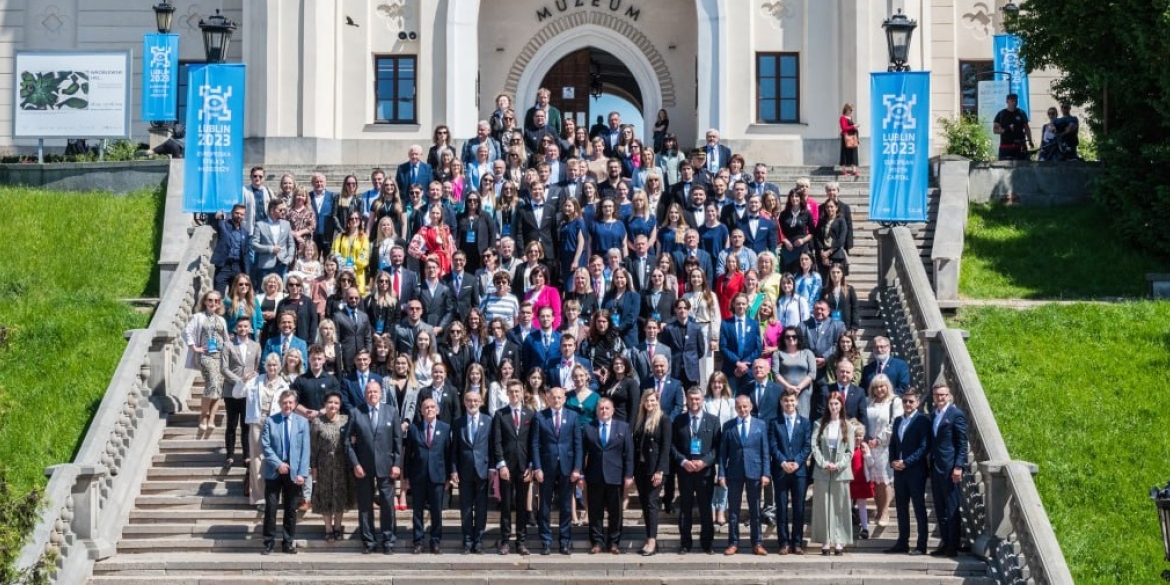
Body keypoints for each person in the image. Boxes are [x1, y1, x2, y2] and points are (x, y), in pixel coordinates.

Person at [531, 386, 583, 555]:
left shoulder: (573, 416)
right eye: (553, 397)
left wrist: (577, 468)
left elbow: (578, 444)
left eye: (560, 397)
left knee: (566, 506)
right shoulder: (540, 416)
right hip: (546, 467)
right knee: (544, 506)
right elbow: (535, 444)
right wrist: (537, 467)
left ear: (564, 399)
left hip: (567, 467)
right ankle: (546, 541)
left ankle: (564, 541)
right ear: (548, 398)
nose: (556, 400)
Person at [718, 395, 771, 556]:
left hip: (755, 472)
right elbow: (722, 454)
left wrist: (766, 473)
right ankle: (733, 543)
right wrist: (721, 474)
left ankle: (757, 543)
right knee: (733, 511)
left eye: (745, 406)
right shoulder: (728, 426)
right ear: (735, 408)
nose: (742, 409)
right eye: (739, 407)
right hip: (734, 473)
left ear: (751, 407)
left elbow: (765, 451)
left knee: (755, 510)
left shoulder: (760, 425)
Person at [259, 390, 310, 555]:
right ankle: (269, 542)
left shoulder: (302, 422)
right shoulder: (270, 421)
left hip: (294, 472)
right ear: (280, 403)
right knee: (271, 508)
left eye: (290, 402)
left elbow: (305, 450)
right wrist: (278, 463)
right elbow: (265, 446)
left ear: (295, 404)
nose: (287, 405)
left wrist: (302, 473)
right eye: (285, 402)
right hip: (274, 470)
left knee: (290, 509)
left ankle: (288, 542)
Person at [670, 387, 720, 554]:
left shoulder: (713, 421)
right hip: (685, 472)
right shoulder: (679, 420)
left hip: (705, 472)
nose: (694, 402)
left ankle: (707, 543)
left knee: (706, 508)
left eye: (697, 399)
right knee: (685, 508)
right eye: (691, 399)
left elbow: (717, 447)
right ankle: (685, 543)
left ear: (703, 400)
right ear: (687, 401)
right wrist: (683, 461)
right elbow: (672, 446)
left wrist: (705, 462)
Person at [490, 380, 536, 555]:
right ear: (507, 393)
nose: (515, 395)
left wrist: (531, 465)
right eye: (512, 392)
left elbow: (533, 442)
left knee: (523, 506)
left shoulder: (530, 414)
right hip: (506, 467)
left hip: (524, 467)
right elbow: (497, 441)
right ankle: (505, 540)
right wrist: (501, 464)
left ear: (522, 392)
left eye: (517, 391)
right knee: (507, 505)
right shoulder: (500, 415)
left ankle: (521, 541)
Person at [886, 389, 931, 555]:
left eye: (911, 401)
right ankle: (902, 542)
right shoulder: (898, 421)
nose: (907, 404)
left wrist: (907, 462)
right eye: (905, 401)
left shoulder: (922, 421)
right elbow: (893, 444)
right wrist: (893, 461)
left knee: (919, 508)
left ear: (917, 403)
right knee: (901, 507)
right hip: (899, 471)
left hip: (916, 471)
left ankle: (921, 545)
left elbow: (924, 447)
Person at [406, 398, 453, 554]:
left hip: (438, 476)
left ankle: (435, 541)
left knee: (436, 511)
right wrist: (406, 477)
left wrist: (448, 477)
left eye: (433, 407)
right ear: (421, 411)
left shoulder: (445, 428)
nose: (429, 409)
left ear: (437, 410)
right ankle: (418, 541)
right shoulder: (414, 428)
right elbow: (408, 455)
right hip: (418, 476)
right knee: (417, 511)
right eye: (426, 407)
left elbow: (448, 454)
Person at [767, 390, 812, 555]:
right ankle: (784, 542)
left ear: (797, 402)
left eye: (792, 401)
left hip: (799, 472)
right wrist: (783, 462)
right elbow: (772, 445)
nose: (789, 404)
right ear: (781, 402)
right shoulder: (774, 423)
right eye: (786, 401)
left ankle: (797, 542)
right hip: (781, 470)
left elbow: (807, 446)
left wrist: (797, 462)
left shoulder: (806, 423)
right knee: (781, 507)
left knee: (799, 508)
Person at [810, 391, 854, 556]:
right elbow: (814, 446)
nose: (834, 407)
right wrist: (823, 463)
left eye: (837, 404)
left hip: (840, 472)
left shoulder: (848, 426)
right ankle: (826, 540)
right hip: (823, 470)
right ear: (827, 406)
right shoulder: (819, 424)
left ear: (841, 405)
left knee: (840, 507)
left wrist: (839, 465)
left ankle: (839, 540)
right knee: (823, 506)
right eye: (831, 404)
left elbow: (850, 451)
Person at [449, 391, 492, 554]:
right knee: (465, 507)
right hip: (464, 470)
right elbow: (454, 449)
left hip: (483, 470)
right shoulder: (458, 422)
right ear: (464, 403)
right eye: (469, 401)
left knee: (481, 508)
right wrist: (453, 469)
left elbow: (492, 447)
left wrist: (492, 468)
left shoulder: (488, 421)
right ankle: (467, 540)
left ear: (481, 402)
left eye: (475, 400)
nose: (472, 403)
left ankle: (478, 540)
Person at [929, 385, 968, 557]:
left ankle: (953, 545)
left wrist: (959, 466)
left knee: (952, 508)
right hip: (936, 467)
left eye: (943, 395)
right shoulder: (933, 415)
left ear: (949, 396)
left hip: (950, 468)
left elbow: (962, 443)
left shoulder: (955, 414)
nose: (940, 398)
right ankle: (945, 542)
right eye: (937, 395)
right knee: (940, 508)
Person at [184, 290, 229, 435]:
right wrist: (194, 348)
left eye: (216, 301)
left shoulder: (221, 320)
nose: (213, 303)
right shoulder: (198, 317)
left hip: (220, 356)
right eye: (210, 300)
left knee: (218, 389)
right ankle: (203, 415)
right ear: (205, 302)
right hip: (206, 356)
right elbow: (186, 332)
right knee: (212, 384)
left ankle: (212, 417)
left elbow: (226, 339)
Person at [631, 391, 671, 556]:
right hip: (641, 468)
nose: (650, 403)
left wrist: (660, 470)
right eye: (647, 400)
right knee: (645, 503)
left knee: (651, 502)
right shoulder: (639, 419)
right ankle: (649, 535)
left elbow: (666, 447)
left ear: (657, 401)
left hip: (656, 469)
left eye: (653, 400)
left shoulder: (664, 419)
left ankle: (652, 540)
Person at [311, 391, 353, 544]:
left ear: (340, 405)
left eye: (336, 402)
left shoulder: (346, 420)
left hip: (342, 465)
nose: (333, 405)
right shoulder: (317, 422)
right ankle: (328, 529)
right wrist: (313, 467)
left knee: (340, 496)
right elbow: (313, 447)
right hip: (324, 465)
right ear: (325, 405)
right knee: (326, 497)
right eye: (330, 402)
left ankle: (337, 527)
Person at [864, 374, 902, 534]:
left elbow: (896, 423)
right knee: (876, 481)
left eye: (882, 386)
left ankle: (885, 510)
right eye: (876, 387)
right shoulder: (868, 402)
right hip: (869, 446)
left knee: (885, 480)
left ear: (887, 387)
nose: (879, 390)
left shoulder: (895, 401)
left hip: (886, 446)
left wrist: (879, 440)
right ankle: (879, 509)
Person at [222, 319, 260, 469]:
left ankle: (246, 455)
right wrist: (240, 380)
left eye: (245, 326)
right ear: (236, 328)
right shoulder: (228, 345)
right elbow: (224, 368)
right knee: (231, 424)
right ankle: (230, 455)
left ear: (250, 328)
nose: (243, 329)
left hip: (248, 392)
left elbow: (257, 366)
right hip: (231, 390)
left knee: (246, 425)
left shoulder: (256, 346)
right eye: (240, 326)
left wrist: (251, 380)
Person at [719, 294, 761, 392]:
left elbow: (758, 348)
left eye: (743, 304)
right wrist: (738, 363)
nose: (741, 306)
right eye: (738, 304)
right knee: (730, 400)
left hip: (749, 370)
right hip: (731, 369)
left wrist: (744, 365)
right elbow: (723, 347)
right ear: (733, 304)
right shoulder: (725, 324)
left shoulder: (754, 324)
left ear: (747, 305)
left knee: (748, 401)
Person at [774, 327, 818, 419]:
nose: (791, 338)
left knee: (803, 417)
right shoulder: (778, 354)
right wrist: (789, 387)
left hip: (804, 391)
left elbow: (812, 373)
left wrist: (799, 388)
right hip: (785, 392)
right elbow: (776, 374)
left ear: (798, 338)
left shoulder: (807, 353)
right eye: (787, 337)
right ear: (783, 338)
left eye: (794, 336)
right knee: (786, 417)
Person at [212, 204, 252, 294]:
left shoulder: (245, 232)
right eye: (237, 213)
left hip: (237, 267)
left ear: (244, 216)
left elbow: (246, 254)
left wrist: (247, 273)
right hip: (223, 266)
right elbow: (216, 225)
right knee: (218, 295)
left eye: (241, 214)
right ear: (232, 213)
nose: (239, 216)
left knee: (235, 297)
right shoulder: (224, 225)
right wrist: (218, 218)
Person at [253, 199, 297, 282]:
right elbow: (254, 244)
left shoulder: (286, 224)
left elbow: (291, 244)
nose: (283, 212)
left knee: (281, 292)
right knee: (263, 291)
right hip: (266, 265)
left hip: (282, 264)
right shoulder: (260, 225)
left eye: (284, 210)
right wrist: (271, 249)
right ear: (272, 210)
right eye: (280, 210)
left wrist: (289, 258)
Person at [993, 93, 1034, 161]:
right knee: (1004, 168)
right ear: (1007, 101)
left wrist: (1030, 140)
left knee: (1023, 167)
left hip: (1019, 146)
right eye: (1012, 101)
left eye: (1016, 101)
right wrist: (1005, 130)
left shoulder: (1021, 113)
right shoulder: (1001, 114)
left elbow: (1027, 128)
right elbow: (995, 130)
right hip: (1005, 147)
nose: (1014, 103)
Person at [838, 103, 860, 176]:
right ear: (846, 109)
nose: (851, 111)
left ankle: (854, 170)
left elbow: (850, 127)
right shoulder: (843, 118)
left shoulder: (850, 117)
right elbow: (844, 128)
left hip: (853, 137)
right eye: (850, 109)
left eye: (852, 110)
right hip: (846, 137)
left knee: (854, 153)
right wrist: (853, 126)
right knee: (844, 153)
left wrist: (855, 128)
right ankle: (844, 170)